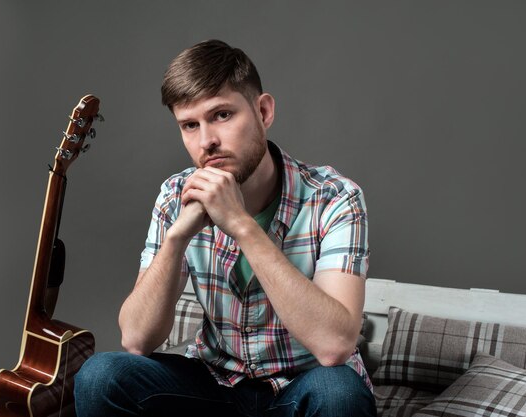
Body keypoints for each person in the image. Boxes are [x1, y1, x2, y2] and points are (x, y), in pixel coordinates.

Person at [74, 39, 376, 417]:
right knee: (100, 376)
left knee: (340, 394)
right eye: (189, 125)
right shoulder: (175, 194)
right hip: (215, 385)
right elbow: (136, 339)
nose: (207, 141)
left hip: (303, 386)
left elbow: (335, 345)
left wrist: (242, 226)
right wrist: (176, 238)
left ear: (263, 111)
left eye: (221, 115)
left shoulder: (334, 198)